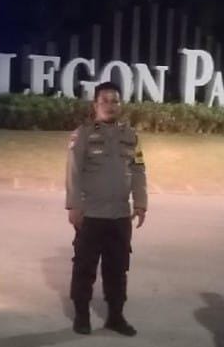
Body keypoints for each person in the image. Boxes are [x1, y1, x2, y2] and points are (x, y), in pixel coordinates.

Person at [65, 81, 147, 336]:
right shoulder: (83, 134)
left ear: (120, 105)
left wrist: (141, 203)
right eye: (105, 101)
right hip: (91, 214)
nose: (110, 105)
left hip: (120, 215)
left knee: (118, 269)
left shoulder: (131, 136)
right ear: (95, 105)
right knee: (84, 267)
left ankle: (115, 317)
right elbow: (73, 172)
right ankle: (82, 317)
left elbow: (138, 170)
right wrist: (74, 206)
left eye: (115, 101)